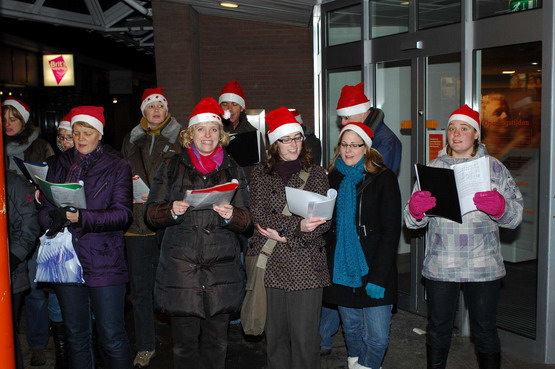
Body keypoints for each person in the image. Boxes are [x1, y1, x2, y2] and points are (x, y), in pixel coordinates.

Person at [404, 105, 523, 369]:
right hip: (441, 263)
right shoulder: (432, 169)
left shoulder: (495, 169)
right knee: (438, 328)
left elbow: (515, 216)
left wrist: (501, 209)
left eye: (464, 129)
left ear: (476, 135)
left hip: (483, 264)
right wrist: (415, 210)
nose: (456, 134)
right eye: (452, 129)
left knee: (484, 330)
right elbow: (411, 222)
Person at [145, 97, 252, 369]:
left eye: (214, 129)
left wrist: (232, 216)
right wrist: (171, 210)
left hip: (221, 271)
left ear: (222, 134)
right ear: (190, 134)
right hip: (181, 270)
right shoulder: (171, 167)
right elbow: (151, 214)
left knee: (218, 344)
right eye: (201, 129)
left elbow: (248, 220)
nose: (208, 135)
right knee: (184, 346)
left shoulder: (234, 168)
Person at [38, 105, 134, 369]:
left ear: (99, 134)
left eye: (87, 133)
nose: (80, 139)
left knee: (112, 337)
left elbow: (123, 214)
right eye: (76, 132)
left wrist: (81, 217)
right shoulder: (58, 163)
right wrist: (52, 218)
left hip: (104, 259)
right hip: (65, 258)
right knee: (76, 335)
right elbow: (44, 209)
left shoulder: (117, 166)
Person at [320, 82, 404, 355]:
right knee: (353, 332)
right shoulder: (333, 177)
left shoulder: (384, 178)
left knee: (377, 338)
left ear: (366, 147)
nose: (348, 150)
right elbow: (327, 226)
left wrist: (379, 276)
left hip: (373, 267)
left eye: (355, 145)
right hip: (342, 269)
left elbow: (392, 231)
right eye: (344, 144)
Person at [248, 107, 331, 369]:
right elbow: (261, 215)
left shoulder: (316, 173)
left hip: (307, 268)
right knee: (276, 341)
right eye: (287, 139)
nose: (294, 144)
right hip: (271, 264)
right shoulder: (260, 173)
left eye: (297, 137)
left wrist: (286, 235)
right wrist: (297, 228)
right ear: (275, 143)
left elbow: (322, 223)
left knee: (306, 342)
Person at [121, 87, 182, 368]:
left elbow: (185, 179)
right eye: (150, 106)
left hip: (168, 221)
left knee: (172, 286)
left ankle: (181, 341)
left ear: (167, 110)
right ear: (143, 111)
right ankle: (145, 345)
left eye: (160, 106)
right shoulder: (131, 140)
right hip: (136, 223)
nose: (155, 111)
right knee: (141, 290)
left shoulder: (180, 138)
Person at [2, 97, 57, 367]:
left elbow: (53, 183)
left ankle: (37, 345)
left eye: (14, 118)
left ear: (24, 120)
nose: (8, 123)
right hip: (9, 226)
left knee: (34, 290)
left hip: (32, 223)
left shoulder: (39, 146)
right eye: (5, 117)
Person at [6, 170, 41, 369]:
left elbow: (28, 223)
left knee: (7, 339)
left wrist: (11, 259)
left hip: (10, 274)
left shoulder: (10, 182)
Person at [336, 82, 402, 175]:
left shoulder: (386, 141)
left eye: (346, 117)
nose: (343, 122)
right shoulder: (361, 134)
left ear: (362, 112)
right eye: (341, 118)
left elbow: (380, 179)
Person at [218, 80, 266, 180]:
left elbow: (262, 167)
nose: (229, 108)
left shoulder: (252, 133)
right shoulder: (213, 132)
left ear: (241, 108)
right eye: (225, 104)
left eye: (234, 104)